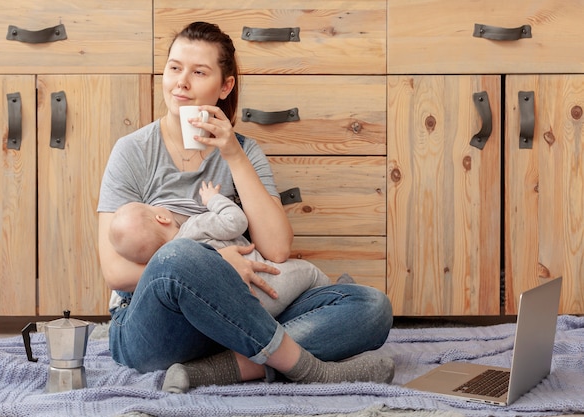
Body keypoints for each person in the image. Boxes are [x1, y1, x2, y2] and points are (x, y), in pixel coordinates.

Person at [97, 21, 394, 393]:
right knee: (179, 255)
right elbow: (115, 270)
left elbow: (277, 249)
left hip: (237, 315)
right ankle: (306, 367)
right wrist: (214, 270)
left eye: (198, 72)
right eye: (174, 68)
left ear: (225, 86)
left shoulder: (243, 152)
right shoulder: (133, 151)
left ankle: (216, 370)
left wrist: (234, 155)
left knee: (371, 307)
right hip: (155, 326)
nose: (180, 82)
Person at [109, 180, 333, 317]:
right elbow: (237, 222)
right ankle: (336, 296)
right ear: (162, 217)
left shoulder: (166, 266)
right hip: (267, 288)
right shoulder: (195, 227)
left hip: (236, 310)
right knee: (309, 272)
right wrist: (213, 200)